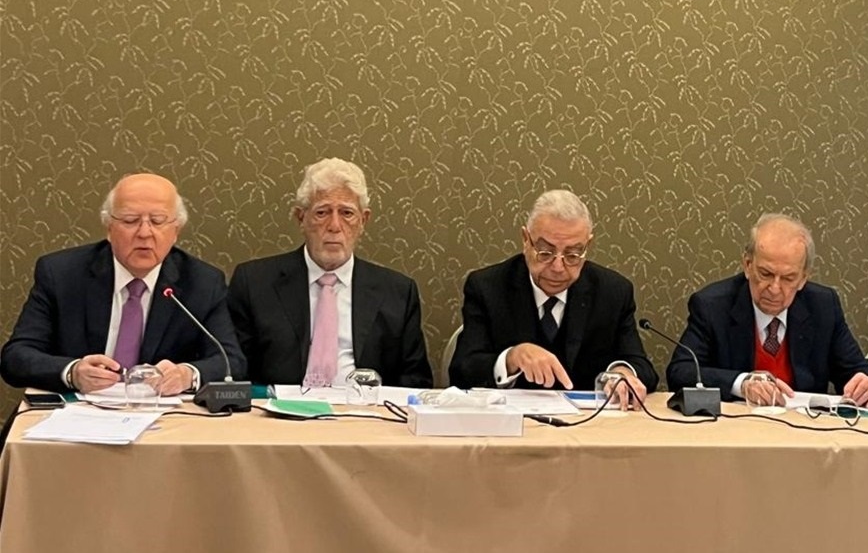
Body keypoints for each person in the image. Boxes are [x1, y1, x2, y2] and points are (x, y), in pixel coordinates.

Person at [0, 173, 243, 395]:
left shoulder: (203, 282)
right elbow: (16, 357)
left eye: (158, 221)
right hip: (79, 412)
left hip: (164, 415)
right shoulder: (62, 274)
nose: (145, 233)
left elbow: (231, 361)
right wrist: (73, 372)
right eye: (130, 220)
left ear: (176, 230)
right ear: (109, 227)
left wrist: (186, 375)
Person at [228, 158, 433, 388]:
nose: (335, 225)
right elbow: (235, 372)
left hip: (364, 408)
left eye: (347, 213)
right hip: (280, 408)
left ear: (363, 220)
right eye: (322, 212)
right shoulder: (254, 283)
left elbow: (416, 381)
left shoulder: (398, 293)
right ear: (301, 218)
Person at [449, 190, 658, 409]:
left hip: (589, 424)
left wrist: (622, 373)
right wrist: (511, 358)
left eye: (572, 254)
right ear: (526, 240)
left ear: (588, 246)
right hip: (512, 422)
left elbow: (641, 367)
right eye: (545, 252)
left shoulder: (613, 292)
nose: (558, 268)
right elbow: (461, 371)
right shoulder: (488, 287)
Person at [666, 214, 868, 406]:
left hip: (805, 432)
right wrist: (742, 383)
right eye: (766, 274)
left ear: (803, 278)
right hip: (736, 430)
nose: (774, 288)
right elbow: (680, 372)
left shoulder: (823, 306)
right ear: (747, 265)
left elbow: (860, 370)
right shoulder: (712, 305)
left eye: (788, 278)